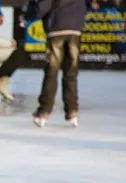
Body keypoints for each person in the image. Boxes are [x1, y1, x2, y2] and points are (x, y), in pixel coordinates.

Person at [24, 0, 86, 128]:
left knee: (52, 71)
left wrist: (27, 15)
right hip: (75, 29)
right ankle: (72, 111)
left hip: (57, 28)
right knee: (71, 72)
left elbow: (43, 6)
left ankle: (44, 111)